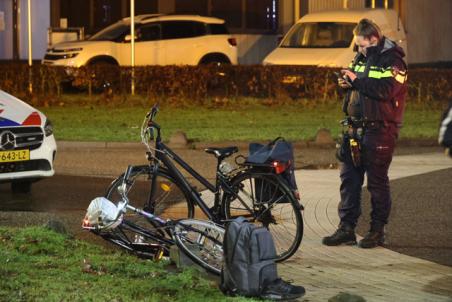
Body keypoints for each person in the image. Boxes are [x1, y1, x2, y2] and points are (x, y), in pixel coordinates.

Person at [322, 18, 408, 248]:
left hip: (379, 130)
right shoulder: (363, 57)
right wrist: (346, 83)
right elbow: (359, 83)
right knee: (348, 180)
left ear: (374, 39)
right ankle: (346, 229)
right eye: (358, 46)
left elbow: (386, 90)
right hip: (354, 129)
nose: (358, 49)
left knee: (377, 184)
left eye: (362, 45)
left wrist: (356, 81)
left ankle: (377, 231)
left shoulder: (394, 61)